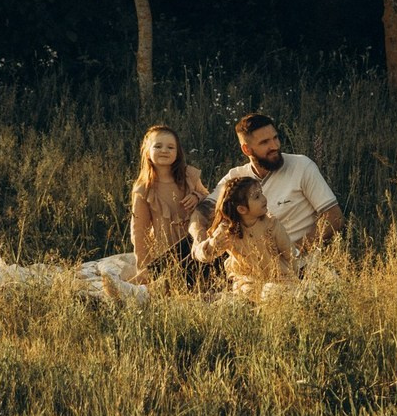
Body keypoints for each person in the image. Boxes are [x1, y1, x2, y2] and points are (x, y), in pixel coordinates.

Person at [189, 112, 343, 268]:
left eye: (275, 138)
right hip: (249, 263)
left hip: (293, 264)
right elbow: (201, 212)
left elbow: (334, 216)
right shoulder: (236, 177)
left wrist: (294, 250)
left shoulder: (301, 166)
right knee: (181, 255)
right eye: (264, 142)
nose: (275, 146)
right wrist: (199, 239)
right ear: (247, 149)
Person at [128, 123, 211, 288]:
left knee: (192, 274)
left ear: (177, 153)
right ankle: (136, 287)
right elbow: (139, 230)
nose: (164, 150)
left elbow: (210, 199)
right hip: (167, 248)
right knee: (170, 278)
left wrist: (197, 196)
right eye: (158, 146)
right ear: (147, 151)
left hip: (195, 241)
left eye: (170, 147)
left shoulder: (189, 176)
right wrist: (142, 266)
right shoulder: (144, 189)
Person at [199, 175, 298, 303]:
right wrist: (212, 245)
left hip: (280, 278)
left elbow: (289, 251)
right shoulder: (227, 230)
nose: (264, 199)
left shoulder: (271, 224)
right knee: (245, 296)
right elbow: (204, 255)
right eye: (257, 197)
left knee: (273, 292)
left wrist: (292, 275)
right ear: (242, 209)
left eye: (261, 194)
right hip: (247, 281)